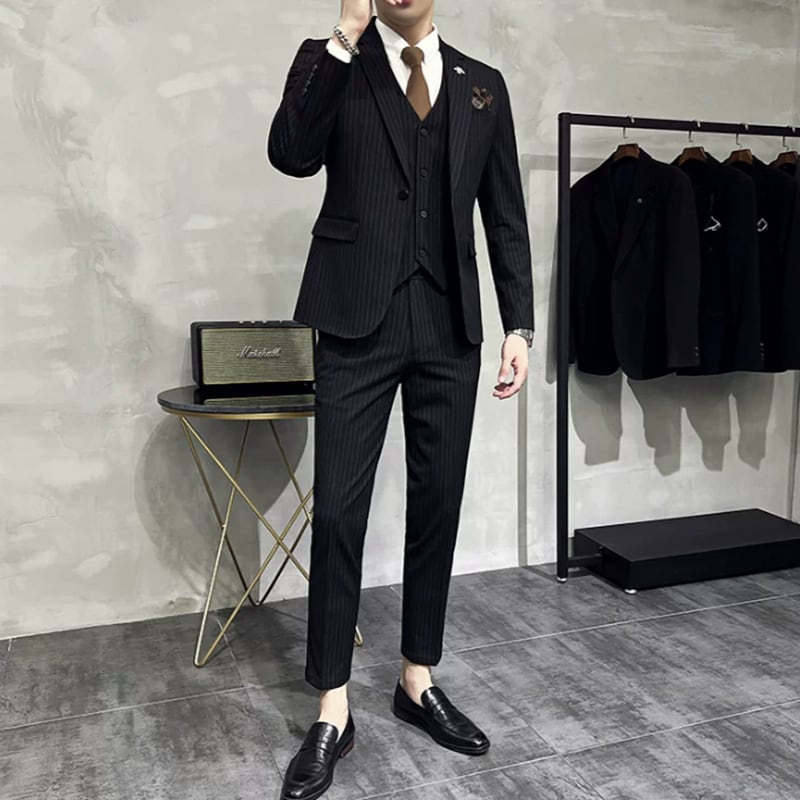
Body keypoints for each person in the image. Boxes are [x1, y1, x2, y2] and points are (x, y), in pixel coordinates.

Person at [268, 0, 533, 797]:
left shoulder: (482, 84)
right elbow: (290, 155)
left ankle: (418, 679)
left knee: (438, 503)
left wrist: (518, 323)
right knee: (339, 513)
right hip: (355, 319)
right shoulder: (334, 62)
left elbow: (505, 214)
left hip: (450, 325)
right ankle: (332, 706)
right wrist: (344, 35)